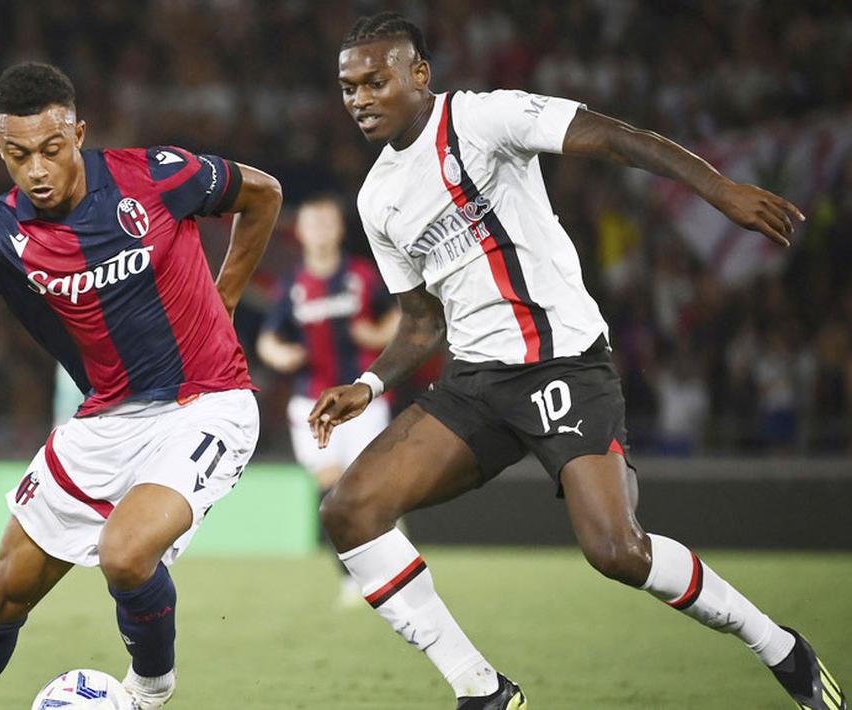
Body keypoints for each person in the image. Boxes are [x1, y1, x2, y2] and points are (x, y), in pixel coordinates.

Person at [310, 12, 844, 710]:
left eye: (374, 81)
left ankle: (778, 647)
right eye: (348, 87)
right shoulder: (377, 197)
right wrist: (370, 380)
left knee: (618, 552)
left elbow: (614, 137)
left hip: (562, 365)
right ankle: (482, 690)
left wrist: (720, 191)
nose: (359, 99)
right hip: (474, 384)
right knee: (349, 510)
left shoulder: (484, 119)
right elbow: (420, 318)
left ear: (418, 74)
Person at [0, 60, 281, 710]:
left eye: (50, 149)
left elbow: (262, 193)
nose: (36, 169)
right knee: (3, 592)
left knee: (125, 554)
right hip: (103, 422)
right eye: (18, 154)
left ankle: (149, 692)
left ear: (78, 133)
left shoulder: (155, 177)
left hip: (206, 401)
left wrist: (225, 296)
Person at [256, 194, 398, 604]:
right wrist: (277, 353)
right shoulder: (293, 286)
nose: (319, 231)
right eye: (311, 223)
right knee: (332, 487)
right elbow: (268, 338)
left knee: (365, 488)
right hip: (311, 403)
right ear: (299, 233)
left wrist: (377, 335)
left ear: (339, 229)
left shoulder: (362, 276)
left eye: (326, 223)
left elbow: (400, 316)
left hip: (362, 402)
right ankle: (355, 578)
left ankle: (386, 559)